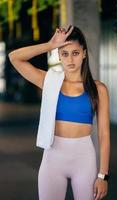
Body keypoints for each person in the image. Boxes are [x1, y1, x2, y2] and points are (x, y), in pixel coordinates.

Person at [9, 25, 110, 200]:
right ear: (59, 56)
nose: (70, 59)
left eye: (75, 53)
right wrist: (50, 45)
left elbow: (104, 134)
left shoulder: (98, 89)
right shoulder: (49, 81)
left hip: (84, 159)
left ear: (84, 53)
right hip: (53, 159)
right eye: (64, 53)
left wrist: (103, 175)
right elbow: (14, 57)